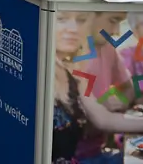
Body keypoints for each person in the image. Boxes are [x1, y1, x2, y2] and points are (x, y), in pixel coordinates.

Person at [52, 11, 143, 164]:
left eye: (80, 20)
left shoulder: (78, 71)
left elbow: (104, 117)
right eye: (113, 21)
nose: (116, 31)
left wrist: (115, 101)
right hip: (82, 153)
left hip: (94, 151)